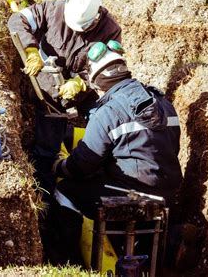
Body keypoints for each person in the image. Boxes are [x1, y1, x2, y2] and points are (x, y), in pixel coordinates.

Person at [46, 42, 183, 264]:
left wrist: (60, 166)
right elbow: (168, 148)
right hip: (168, 194)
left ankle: (65, 263)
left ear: (98, 82)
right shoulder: (163, 102)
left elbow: (83, 165)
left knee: (65, 192)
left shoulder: (108, 112)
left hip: (131, 196)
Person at [7, 0, 122, 198]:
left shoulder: (109, 29)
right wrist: (31, 49)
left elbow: (110, 67)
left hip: (85, 96)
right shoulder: (53, 10)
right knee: (46, 148)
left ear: (95, 18)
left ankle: (90, 173)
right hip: (49, 94)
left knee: (100, 136)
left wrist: (81, 82)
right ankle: (47, 196)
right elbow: (17, 19)